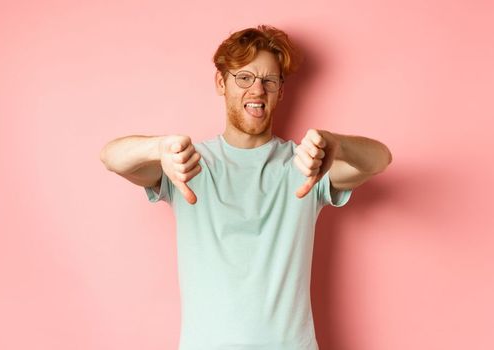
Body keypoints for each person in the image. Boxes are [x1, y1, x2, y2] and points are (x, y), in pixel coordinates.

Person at [99, 25, 392, 350]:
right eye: (244, 77)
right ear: (221, 83)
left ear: (280, 91)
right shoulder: (187, 164)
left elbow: (379, 159)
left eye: (269, 80)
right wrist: (158, 148)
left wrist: (338, 144)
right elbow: (112, 157)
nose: (257, 89)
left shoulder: (305, 164)